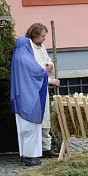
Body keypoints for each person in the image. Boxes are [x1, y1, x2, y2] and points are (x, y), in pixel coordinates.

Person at [10, 37, 49, 166]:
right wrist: (47, 73)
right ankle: (30, 157)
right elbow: (38, 72)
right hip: (29, 99)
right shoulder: (26, 59)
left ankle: (25, 155)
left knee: (23, 130)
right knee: (31, 129)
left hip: (21, 99)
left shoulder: (16, 58)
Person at [25, 23, 60, 157]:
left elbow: (47, 60)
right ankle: (35, 150)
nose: (44, 39)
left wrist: (50, 65)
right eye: (42, 36)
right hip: (33, 89)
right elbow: (33, 69)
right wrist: (50, 80)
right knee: (35, 119)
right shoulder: (29, 48)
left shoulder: (41, 47)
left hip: (43, 89)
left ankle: (46, 147)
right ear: (35, 35)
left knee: (45, 117)